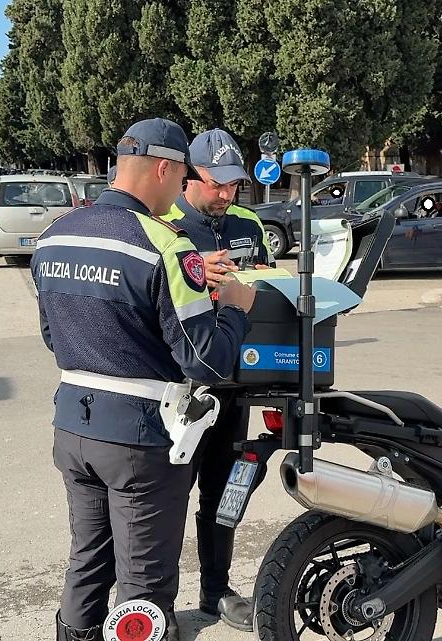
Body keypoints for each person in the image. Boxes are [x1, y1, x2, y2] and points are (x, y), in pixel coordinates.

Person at [33, 117, 257, 641]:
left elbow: (51, 335)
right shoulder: (165, 247)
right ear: (165, 168)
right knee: (144, 589)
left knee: (87, 561)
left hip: (73, 424)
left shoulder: (55, 235)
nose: (181, 191)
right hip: (141, 439)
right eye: (182, 179)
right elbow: (206, 359)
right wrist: (237, 310)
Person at [163, 129, 272, 632]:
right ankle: (153, 600)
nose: (226, 195)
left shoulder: (248, 222)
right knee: (165, 499)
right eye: (216, 184)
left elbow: (266, 279)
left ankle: (216, 591)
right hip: (182, 387)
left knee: (223, 495)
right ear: (189, 176)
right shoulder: (163, 223)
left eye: (235, 185)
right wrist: (190, 272)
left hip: (236, 384)